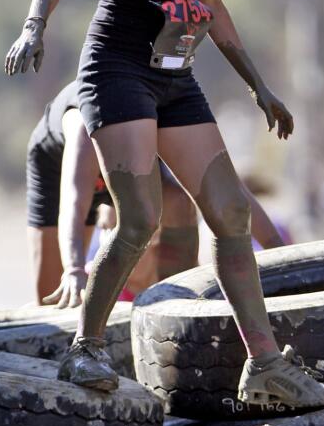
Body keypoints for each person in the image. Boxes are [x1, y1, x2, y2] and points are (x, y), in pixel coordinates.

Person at [6, 0, 324, 410]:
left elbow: (214, 10)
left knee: (231, 213)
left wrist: (258, 86)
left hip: (173, 74)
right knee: (138, 218)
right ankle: (85, 349)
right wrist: (34, 24)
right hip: (116, 69)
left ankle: (264, 363)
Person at [27, 79, 288, 308]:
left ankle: (178, 302)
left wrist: (281, 254)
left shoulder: (162, 113)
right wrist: (73, 270)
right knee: (55, 298)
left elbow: (230, 189)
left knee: (177, 203)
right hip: (62, 174)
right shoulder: (85, 123)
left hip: (131, 176)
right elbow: (73, 201)